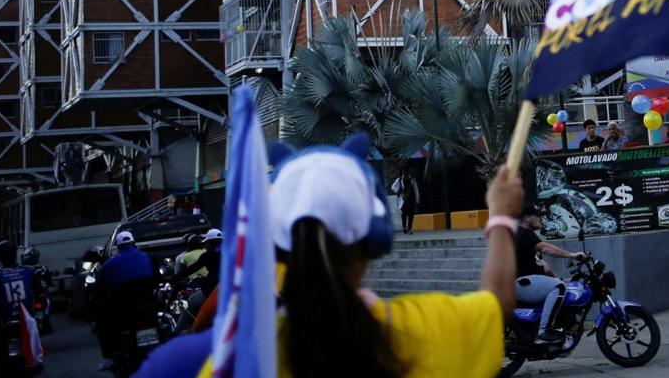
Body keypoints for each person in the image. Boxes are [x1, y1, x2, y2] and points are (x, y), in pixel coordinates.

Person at [134, 133, 523, 378]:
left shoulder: (194, 363)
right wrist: (502, 215)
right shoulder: (415, 333)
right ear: (373, 243)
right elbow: (496, 304)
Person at [514, 203, 586, 345]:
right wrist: (573, 255)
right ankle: (544, 331)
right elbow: (547, 249)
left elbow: (543, 265)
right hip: (522, 283)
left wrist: (559, 279)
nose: (541, 219)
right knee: (558, 288)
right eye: (538, 216)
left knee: (560, 286)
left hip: (529, 283)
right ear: (527, 218)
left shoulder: (527, 236)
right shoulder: (523, 234)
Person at [95, 230, 156, 370]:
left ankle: (109, 356)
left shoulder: (108, 265)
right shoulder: (147, 257)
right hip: (146, 304)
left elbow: (99, 290)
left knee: (102, 322)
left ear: (118, 246)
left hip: (122, 307)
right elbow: (157, 279)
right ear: (134, 243)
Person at [391, 167, 420, 234]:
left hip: (411, 199)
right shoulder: (399, 179)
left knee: (411, 214)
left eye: (406, 172)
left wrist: (417, 199)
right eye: (403, 172)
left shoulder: (412, 179)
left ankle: (409, 228)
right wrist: (399, 190)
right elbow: (393, 187)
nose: (405, 173)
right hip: (404, 199)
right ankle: (404, 227)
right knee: (404, 213)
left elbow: (416, 189)